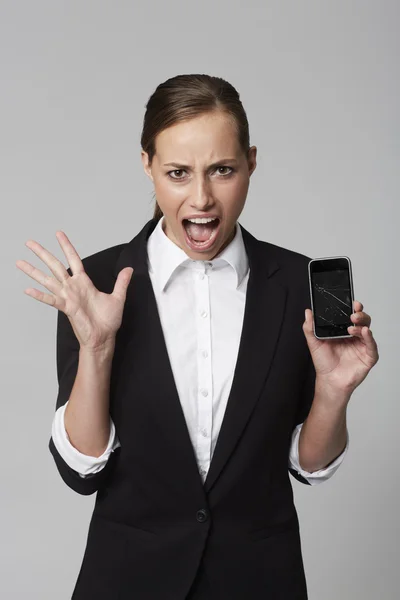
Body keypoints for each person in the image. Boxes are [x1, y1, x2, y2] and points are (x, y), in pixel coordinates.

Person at [16, 74, 379, 599]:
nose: (202, 198)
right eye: (178, 173)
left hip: (261, 582)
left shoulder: (298, 287)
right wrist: (97, 349)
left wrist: (334, 391)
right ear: (147, 166)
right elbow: (82, 469)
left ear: (251, 162)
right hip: (127, 583)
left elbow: (309, 466)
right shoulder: (93, 286)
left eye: (222, 170)